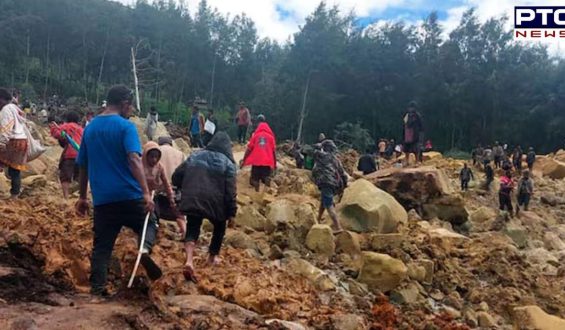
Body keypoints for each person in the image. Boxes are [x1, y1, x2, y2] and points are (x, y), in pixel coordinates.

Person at [75, 85, 161, 297]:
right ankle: (144, 249)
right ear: (124, 104)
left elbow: (83, 166)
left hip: (103, 200)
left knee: (102, 247)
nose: (130, 111)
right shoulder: (126, 127)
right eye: (130, 106)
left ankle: (98, 290)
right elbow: (134, 159)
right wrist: (145, 193)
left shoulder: (90, 128)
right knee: (150, 221)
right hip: (130, 195)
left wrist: (83, 197)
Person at [172, 132, 237, 283]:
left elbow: (176, 176)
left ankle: (189, 260)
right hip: (216, 203)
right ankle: (212, 257)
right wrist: (232, 213)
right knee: (219, 228)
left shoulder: (195, 155)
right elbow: (231, 191)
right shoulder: (228, 163)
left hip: (193, 198)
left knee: (193, 227)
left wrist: (185, 187)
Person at [142, 141, 177, 244]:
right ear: (145, 155)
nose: (154, 160)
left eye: (156, 157)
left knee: (154, 216)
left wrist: (171, 199)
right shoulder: (138, 165)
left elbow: (166, 183)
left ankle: (148, 242)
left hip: (152, 195)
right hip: (138, 195)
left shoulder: (159, 167)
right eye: (151, 156)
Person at [313, 139, 346, 233]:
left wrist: (319, 146)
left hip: (325, 181)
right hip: (333, 183)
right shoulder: (335, 159)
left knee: (329, 205)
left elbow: (313, 151)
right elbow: (342, 173)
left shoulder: (320, 156)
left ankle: (338, 227)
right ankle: (318, 219)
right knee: (323, 201)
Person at [49, 111, 84, 199]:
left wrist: (53, 127)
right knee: (79, 176)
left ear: (67, 119)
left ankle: (66, 197)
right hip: (81, 155)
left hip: (69, 155)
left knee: (65, 177)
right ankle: (80, 196)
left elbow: (57, 134)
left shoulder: (66, 126)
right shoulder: (81, 129)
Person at [0, 88, 27, 198]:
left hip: (13, 141)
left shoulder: (6, 109)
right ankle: (15, 195)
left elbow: (7, 126)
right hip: (22, 141)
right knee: (15, 170)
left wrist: (2, 142)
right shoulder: (16, 109)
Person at [158, 136, 186, 236]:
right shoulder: (180, 154)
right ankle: (185, 233)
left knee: (154, 213)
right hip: (175, 189)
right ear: (170, 143)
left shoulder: (157, 151)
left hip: (159, 189)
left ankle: (154, 233)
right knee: (179, 215)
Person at [241, 115, 276, 192]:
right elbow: (273, 151)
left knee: (253, 180)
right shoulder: (271, 137)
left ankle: (256, 187)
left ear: (257, 123)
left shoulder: (255, 135)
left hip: (256, 161)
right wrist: (275, 164)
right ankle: (266, 193)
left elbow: (249, 149)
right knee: (265, 177)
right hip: (267, 162)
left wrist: (244, 160)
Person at [402, 101, 424, 166]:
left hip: (414, 133)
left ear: (414, 108)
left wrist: (420, 132)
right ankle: (407, 161)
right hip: (407, 134)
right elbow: (404, 124)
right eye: (409, 108)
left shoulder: (417, 115)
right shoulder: (406, 115)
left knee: (416, 148)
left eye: (412, 108)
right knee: (406, 149)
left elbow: (421, 125)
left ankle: (417, 161)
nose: (410, 109)